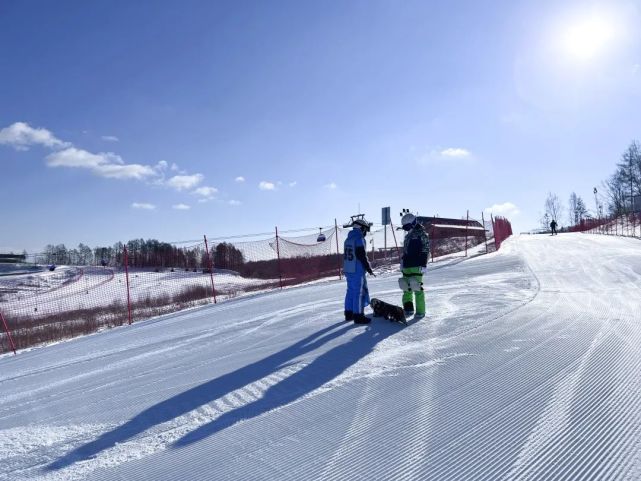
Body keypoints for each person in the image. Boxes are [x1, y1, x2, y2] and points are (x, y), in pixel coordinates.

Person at [343, 216, 374, 324]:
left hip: (348, 269)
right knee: (359, 293)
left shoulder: (348, 238)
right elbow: (361, 255)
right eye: (365, 229)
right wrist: (368, 268)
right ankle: (358, 316)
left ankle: (349, 313)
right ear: (361, 228)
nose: (366, 231)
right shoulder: (359, 238)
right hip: (357, 270)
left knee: (350, 291)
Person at [399, 213, 429, 318]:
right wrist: (402, 262)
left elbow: (425, 250)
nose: (406, 229)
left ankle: (420, 311)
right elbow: (405, 251)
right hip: (407, 265)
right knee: (406, 287)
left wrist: (424, 264)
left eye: (407, 227)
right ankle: (408, 308)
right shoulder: (407, 236)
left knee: (416, 287)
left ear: (413, 223)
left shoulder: (422, 235)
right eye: (404, 227)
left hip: (417, 265)